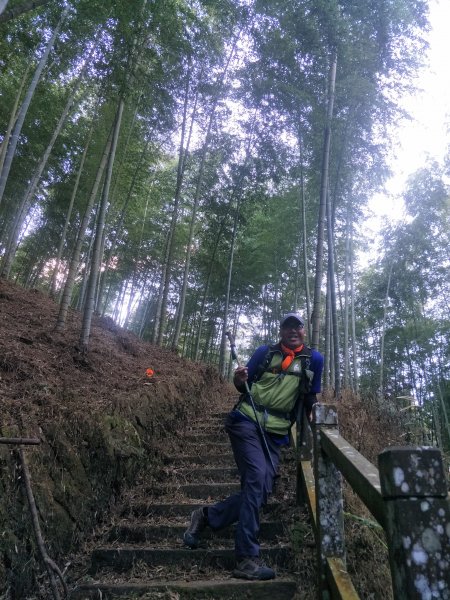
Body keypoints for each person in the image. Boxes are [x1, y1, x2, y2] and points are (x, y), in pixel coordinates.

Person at [183, 312, 324, 580]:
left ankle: (206, 516)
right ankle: (246, 558)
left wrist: (316, 415)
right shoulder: (265, 352)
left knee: (261, 490)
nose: (293, 331)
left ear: (304, 331)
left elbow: (310, 397)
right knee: (257, 478)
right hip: (246, 421)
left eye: (298, 327)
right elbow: (242, 385)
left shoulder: (314, 359)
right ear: (281, 331)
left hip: (275, 433)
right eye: (287, 327)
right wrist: (238, 379)